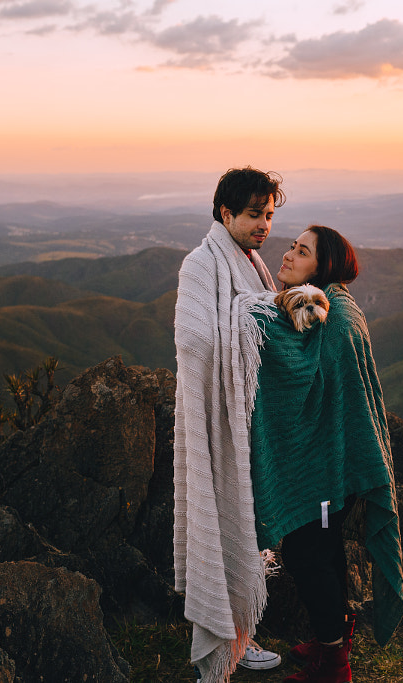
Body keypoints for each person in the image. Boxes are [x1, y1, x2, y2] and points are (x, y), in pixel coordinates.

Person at [249, 225, 403, 682]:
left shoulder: (334, 319)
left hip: (326, 467)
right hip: (332, 465)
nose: (288, 254)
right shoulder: (330, 307)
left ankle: (334, 665)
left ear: (324, 267)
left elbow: (305, 380)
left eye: (302, 251)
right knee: (325, 549)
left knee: (305, 555)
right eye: (292, 246)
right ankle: (332, 638)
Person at [173, 167, 286, 682]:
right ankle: (217, 651)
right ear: (225, 214)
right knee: (221, 519)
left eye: (268, 214)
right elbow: (196, 343)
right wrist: (258, 314)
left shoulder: (252, 262)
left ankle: (241, 637)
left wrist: (256, 312)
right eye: (253, 214)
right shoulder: (200, 265)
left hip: (248, 417)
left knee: (250, 521)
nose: (264, 224)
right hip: (219, 418)